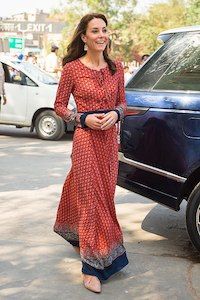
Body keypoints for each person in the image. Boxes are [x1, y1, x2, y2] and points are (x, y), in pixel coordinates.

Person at [53, 13, 128, 294]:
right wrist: (82, 119)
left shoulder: (116, 68)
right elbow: (59, 106)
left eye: (104, 30)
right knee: (91, 198)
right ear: (84, 37)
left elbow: (123, 102)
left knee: (102, 195)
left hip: (109, 141)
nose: (101, 35)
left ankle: (77, 235)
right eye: (94, 31)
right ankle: (91, 267)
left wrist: (115, 114)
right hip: (85, 140)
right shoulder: (72, 69)